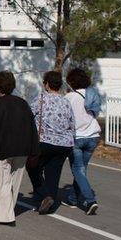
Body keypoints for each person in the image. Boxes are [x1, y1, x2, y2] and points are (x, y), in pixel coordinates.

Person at [0, 71, 39, 226]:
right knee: (14, 182)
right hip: (22, 149)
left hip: (2, 150)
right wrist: (34, 150)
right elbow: (32, 127)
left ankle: (6, 216)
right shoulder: (23, 104)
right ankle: (9, 210)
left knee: (2, 182)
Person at [28, 70, 76, 214]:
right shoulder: (66, 101)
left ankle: (45, 195)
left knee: (33, 167)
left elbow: (29, 115)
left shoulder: (41, 99)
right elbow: (72, 123)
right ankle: (50, 204)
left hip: (45, 141)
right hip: (64, 143)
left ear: (47, 84)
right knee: (53, 173)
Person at [64, 68, 102, 215]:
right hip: (93, 136)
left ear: (71, 82)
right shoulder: (92, 94)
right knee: (81, 170)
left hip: (77, 138)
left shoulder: (69, 97)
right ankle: (73, 198)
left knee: (77, 169)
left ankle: (90, 200)